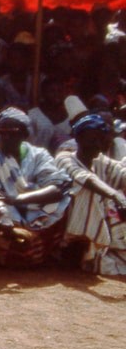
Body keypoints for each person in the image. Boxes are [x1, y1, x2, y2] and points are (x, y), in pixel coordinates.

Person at [0, 108, 72, 267]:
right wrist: (4, 212)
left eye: (12, 133)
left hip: (26, 204)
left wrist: (16, 199)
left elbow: (56, 187)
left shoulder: (38, 154)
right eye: (1, 133)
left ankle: (38, 253)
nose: (5, 138)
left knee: (66, 200)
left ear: (25, 134)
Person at [55, 113, 126, 275]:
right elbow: (86, 179)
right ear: (78, 139)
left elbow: (122, 174)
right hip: (66, 227)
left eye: (100, 140)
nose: (97, 145)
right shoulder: (65, 158)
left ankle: (97, 252)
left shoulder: (100, 161)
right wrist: (115, 195)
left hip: (99, 223)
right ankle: (76, 251)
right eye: (92, 140)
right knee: (87, 192)